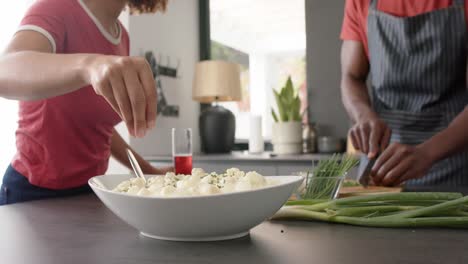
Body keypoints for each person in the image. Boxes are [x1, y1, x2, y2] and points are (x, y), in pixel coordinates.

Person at [0, 0, 172, 205]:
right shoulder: (57, 7)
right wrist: (89, 65)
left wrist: (149, 171)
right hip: (33, 192)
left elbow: (99, 129)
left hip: (91, 189)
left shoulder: (121, 37)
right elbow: (5, 70)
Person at [340, 0, 468, 187]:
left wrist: (427, 153)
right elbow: (351, 76)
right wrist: (363, 115)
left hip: (452, 166)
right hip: (381, 169)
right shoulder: (360, 2)